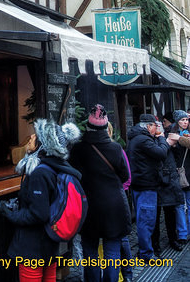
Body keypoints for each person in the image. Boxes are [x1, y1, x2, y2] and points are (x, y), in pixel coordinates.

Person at [0, 118, 81, 282]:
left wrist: (9, 213)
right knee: (49, 277)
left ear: (42, 145)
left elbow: (39, 214)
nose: (30, 138)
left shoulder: (40, 173)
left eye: (35, 137)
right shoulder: (56, 166)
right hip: (49, 242)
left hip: (33, 246)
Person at [69, 105, 131, 282]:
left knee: (90, 250)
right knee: (112, 250)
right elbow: (125, 175)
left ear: (88, 126)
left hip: (88, 205)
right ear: (106, 127)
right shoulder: (115, 148)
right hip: (114, 205)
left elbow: (73, 175)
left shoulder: (78, 149)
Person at [127, 113, 169, 262]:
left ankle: (145, 251)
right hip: (146, 185)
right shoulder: (144, 139)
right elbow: (161, 153)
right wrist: (163, 138)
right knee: (146, 220)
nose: (156, 129)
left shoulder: (135, 138)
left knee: (143, 219)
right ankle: (146, 254)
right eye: (155, 126)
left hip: (140, 184)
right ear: (149, 126)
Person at [151, 116, 184, 253]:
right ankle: (155, 243)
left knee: (170, 214)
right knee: (156, 216)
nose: (157, 129)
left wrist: (175, 144)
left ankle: (173, 239)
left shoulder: (168, 137)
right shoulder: (150, 141)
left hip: (169, 179)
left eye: (158, 127)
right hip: (157, 180)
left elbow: (177, 156)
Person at [107, 122, 133, 282]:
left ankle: (127, 274)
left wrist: (118, 192)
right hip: (105, 202)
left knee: (121, 240)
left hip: (115, 201)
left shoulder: (117, 150)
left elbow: (128, 179)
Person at [169, 110, 190, 244]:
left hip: (189, 174)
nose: (185, 122)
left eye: (186, 120)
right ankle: (182, 233)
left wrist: (180, 139)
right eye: (182, 120)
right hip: (178, 174)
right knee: (179, 205)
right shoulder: (171, 135)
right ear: (177, 121)